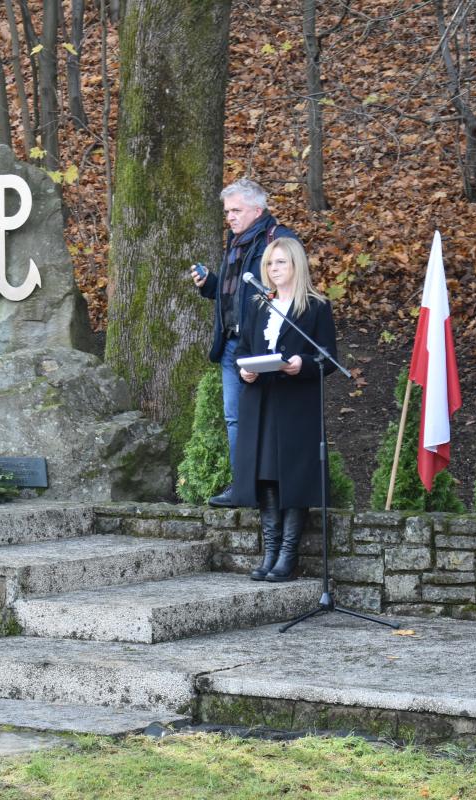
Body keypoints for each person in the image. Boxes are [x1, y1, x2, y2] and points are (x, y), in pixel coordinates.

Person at [232, 238, 337, 583]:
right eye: (270, 263)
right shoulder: (259, 305)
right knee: (266, 476)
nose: (274, 269)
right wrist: (244, 371)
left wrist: (302, 364)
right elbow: (243, 349)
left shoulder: (316, 307)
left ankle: (287, 556)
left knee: (292, 475)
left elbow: (327, 358)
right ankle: (270, 552)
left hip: (295, 405)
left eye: (280, 262)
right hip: (261, 401)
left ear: (296, 265)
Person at [193, 177, 295, 507]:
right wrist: (210, 284)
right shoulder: (236, 244)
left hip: (266, 345)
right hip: (232, 346)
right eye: (227, 212)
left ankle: (275, 489)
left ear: (257, 210)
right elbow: (235, 295)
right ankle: (243, 489)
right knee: (235, 418)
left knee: (270, 418)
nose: (230, 217)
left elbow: (290, 291)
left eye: (236, 210)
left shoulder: (279, 241)